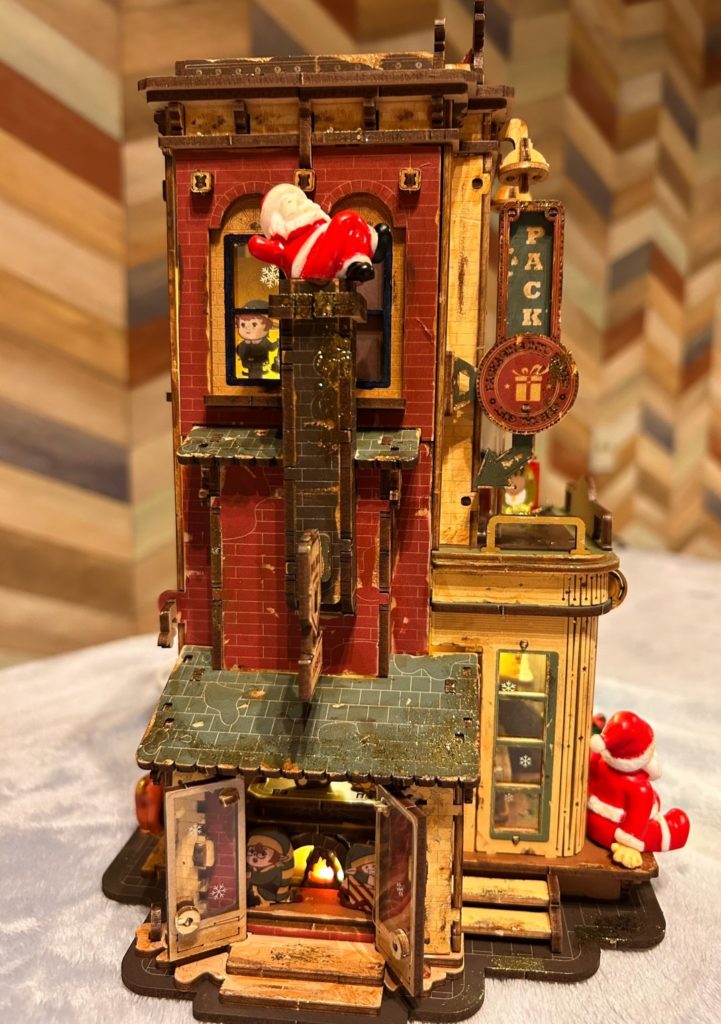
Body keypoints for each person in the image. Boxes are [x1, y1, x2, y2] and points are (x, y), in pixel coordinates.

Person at [235, 299, 278, 380]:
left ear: (267, 326)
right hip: (249, 363)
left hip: (259, 362)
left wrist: (277, 343)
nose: (248, 328)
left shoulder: (264, 342)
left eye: (254, 324)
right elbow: (238, 350)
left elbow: (271, 347)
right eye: (243, 325)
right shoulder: (244, 344)